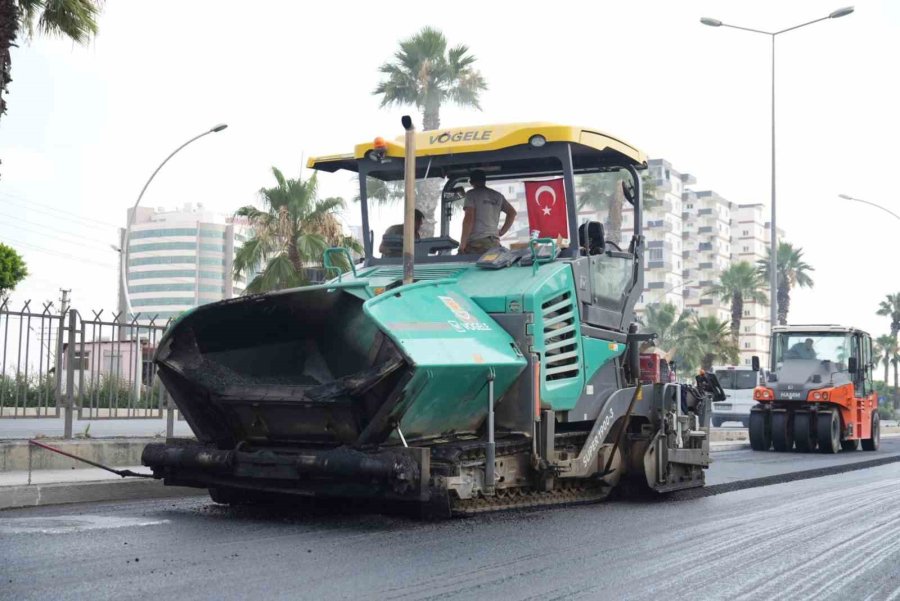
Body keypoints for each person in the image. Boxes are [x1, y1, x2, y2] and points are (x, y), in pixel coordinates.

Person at [459, 170, 517, 255]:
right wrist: (501, 232)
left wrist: (463, 243)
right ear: (484, 180)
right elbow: (512, 213)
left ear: (471, 182)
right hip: (494, 243)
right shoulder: (498, 196)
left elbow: (469, 218)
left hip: (477, 243)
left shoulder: (471, 194)